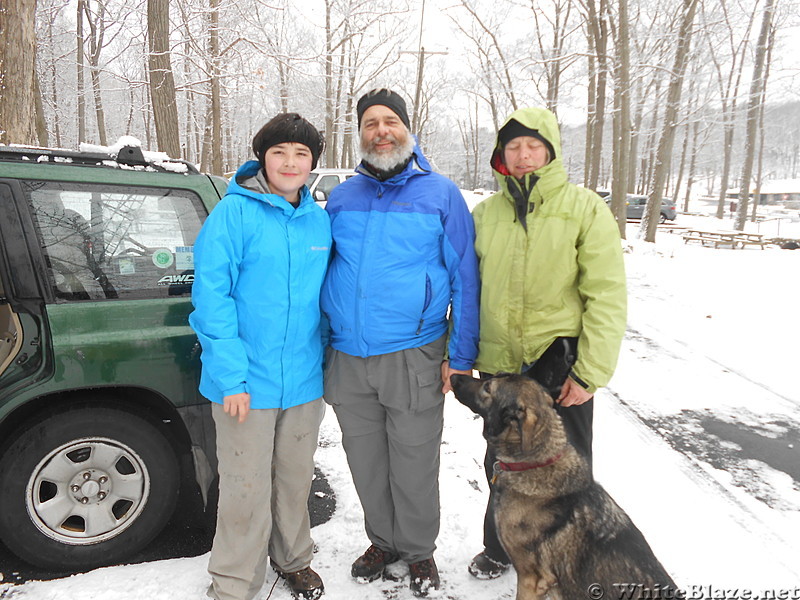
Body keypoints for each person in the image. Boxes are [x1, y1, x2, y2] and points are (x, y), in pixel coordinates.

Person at [321, 88, 480, 597]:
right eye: (371, 122)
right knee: (365, 460)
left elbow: (465, 279)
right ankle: (382, 541)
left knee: (413, 460)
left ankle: (418, 551)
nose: (381, 130)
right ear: (360, 133)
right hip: (348, 355)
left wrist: (460, 357)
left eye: (391, 121)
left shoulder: (441, 194)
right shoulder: (342, 198)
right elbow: (323, 270)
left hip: (413, 354)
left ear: (408, 130)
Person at [467, 107, 627, 580]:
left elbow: (606, 292)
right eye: (513, 147)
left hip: (558, 366)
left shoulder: (583, 208)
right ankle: (500, 547)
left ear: (550, 152)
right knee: (500, 461)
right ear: (501, 155)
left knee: (566, 467)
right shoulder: (485, 214)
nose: (523, 156)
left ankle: (571, 557)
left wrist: (590, 371)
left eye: (533, 146)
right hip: (500, 365)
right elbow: (466, 286)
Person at [189, 113, 330, 600]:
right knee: (244, 490)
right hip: (246, 382)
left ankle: (293, 559)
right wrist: (231, 377)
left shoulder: (318, 218)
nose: (291, 163)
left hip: (305, 381)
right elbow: (211, 298)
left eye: (302, 155)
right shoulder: (234, 213)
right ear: (262, 158)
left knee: (293, 481)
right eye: (280, 153)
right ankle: (232, 582)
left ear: (313, 163)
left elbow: (325, 298)